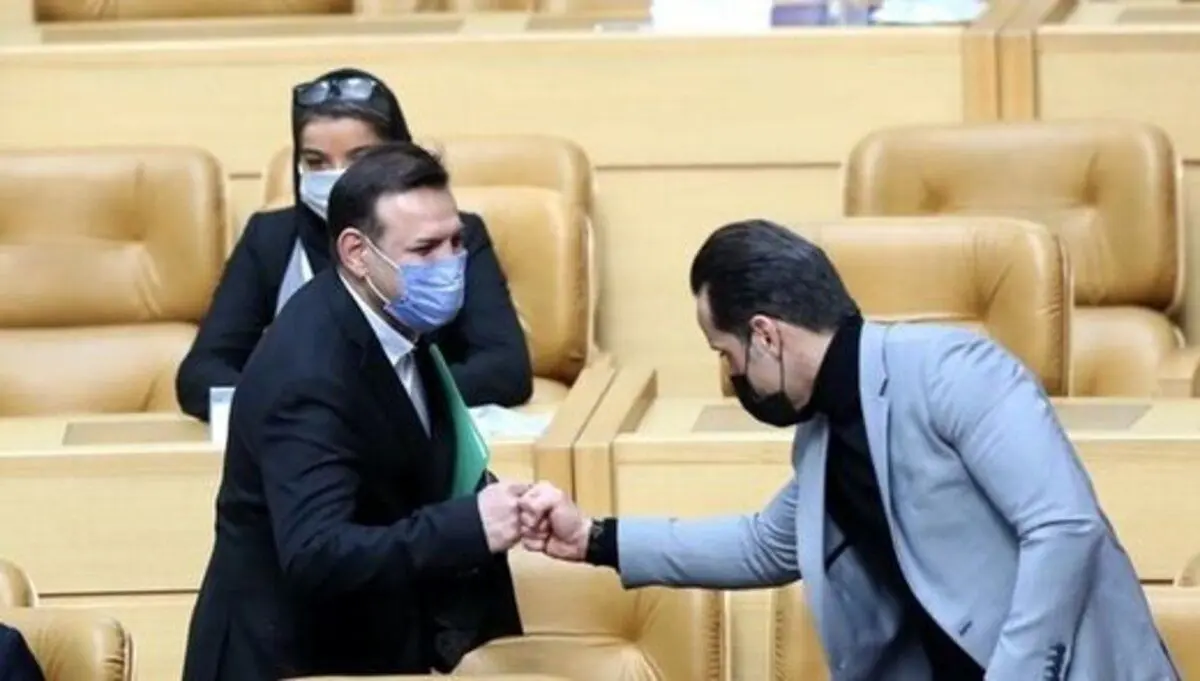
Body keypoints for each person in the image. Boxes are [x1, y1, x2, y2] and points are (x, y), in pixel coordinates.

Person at [515, 219, 1179, 681]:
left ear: (766, 335)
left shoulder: (953, 370)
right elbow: (763, 545)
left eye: (726, 354)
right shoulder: (825, 433)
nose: (731, 375)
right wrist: (594, 538)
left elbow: (1064, 526)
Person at [181, 143, 526, 681]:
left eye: (457, 242)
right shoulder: (308, 373)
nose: (450, 264)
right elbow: (317, 553)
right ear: (357, 253)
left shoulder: (393, 317)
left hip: (366, 644)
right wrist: (470, 525)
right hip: (288, 661)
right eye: (425, 249)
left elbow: (404, 467)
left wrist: (511, 504)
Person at [175, 67, 532, 421]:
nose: (336, 175)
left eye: (360, 159)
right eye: (316, 162)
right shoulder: (269, 238)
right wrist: (306, 407)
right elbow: (201, 375)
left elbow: (505, 369)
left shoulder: (452, 237)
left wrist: (366, 403)